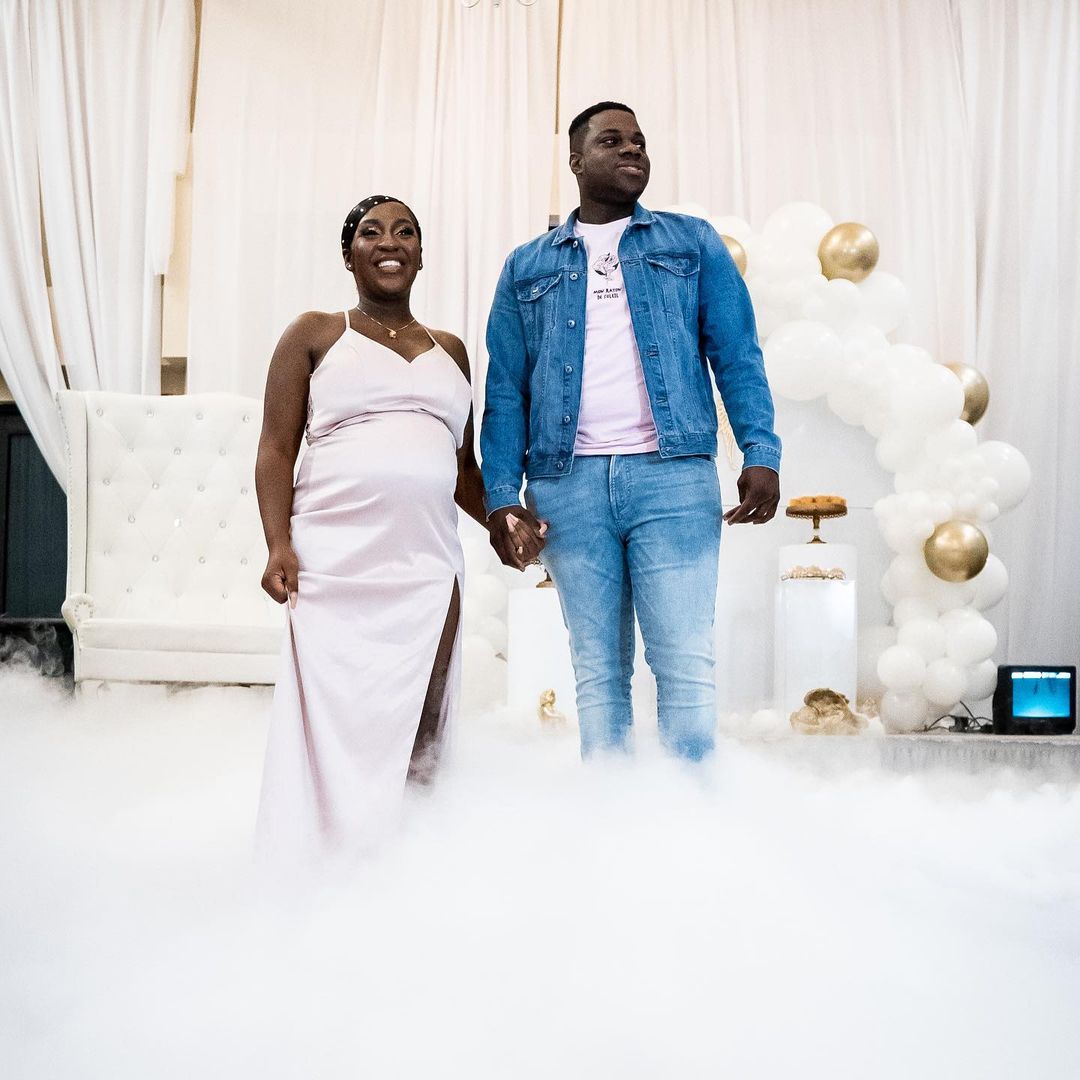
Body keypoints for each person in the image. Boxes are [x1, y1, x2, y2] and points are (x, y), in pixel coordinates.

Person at [481, 102, 782, 762]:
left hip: (672, 478)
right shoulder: (526, 266)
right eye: (612, 141)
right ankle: (611, 811)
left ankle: (691, 812)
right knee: (598, 671)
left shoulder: (690, 242)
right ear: (575, 161)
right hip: (566, 486)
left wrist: (760, 450)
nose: (632, 151)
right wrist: (502, 497)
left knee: (684, 662)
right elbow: (505, 390)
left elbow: (737, 353)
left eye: (639, 142)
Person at [254, 195, 541, 856]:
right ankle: (325, 853)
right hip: (334, 563)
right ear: (348, 253)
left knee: (424, 711)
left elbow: (462, 467)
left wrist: (502, 520)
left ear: (420, 254)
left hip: (427, 562)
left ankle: (407, 854)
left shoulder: (451, 350)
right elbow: (275, 447)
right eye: (372, 231)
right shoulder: (314, 333)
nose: (390, 242)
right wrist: (278, 544)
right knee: (335, 716)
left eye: (405, 231)